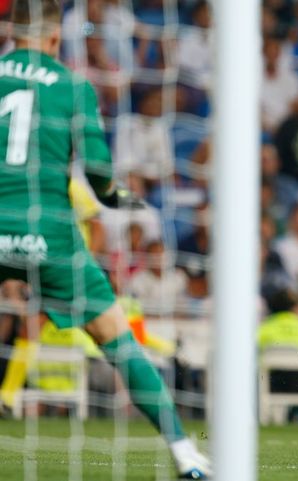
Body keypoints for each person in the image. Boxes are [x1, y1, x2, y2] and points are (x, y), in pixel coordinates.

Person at [0, 2, 210, 478]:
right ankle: (185, 455)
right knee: (120, 343)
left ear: (13, 31)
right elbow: (97, 176)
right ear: (55, 38)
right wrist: (117, 198)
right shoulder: (73, 85)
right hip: (47, 234)